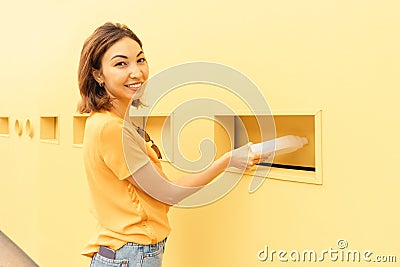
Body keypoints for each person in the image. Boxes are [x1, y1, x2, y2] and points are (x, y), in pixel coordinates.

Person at [77, 22, 261, 267]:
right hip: (130, 254)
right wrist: (228, 160)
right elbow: (168, 193)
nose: (136, 72)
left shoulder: (108, 122)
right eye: (121, 64)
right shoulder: (111, 128)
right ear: (97, 74)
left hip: (124, 252)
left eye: (140, 60)